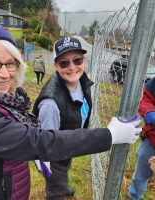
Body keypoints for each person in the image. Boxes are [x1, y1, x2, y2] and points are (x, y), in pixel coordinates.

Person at [0, 21, 141, 200]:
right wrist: (109, 135)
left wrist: (30, 151)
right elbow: (41, 141)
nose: (4, 74)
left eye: (10, 63)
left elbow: (21, 137)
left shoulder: (0, 99)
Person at [31, 36, 135, 199]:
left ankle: (62, 183)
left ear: (84, 61)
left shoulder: (82, 81)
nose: (72, 67)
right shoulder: (51, 105)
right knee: (56, 184)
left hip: (69, 141)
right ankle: (58, 190)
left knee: (66, 167)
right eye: (64, 63)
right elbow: (50, 144)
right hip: (56, 152)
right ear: (56, 66)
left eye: (77, 60)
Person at [128, 77, 155, 200]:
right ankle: (135, 197)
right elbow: (145, 98)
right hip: (153, 140)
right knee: (141, 174)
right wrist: (149, 111)